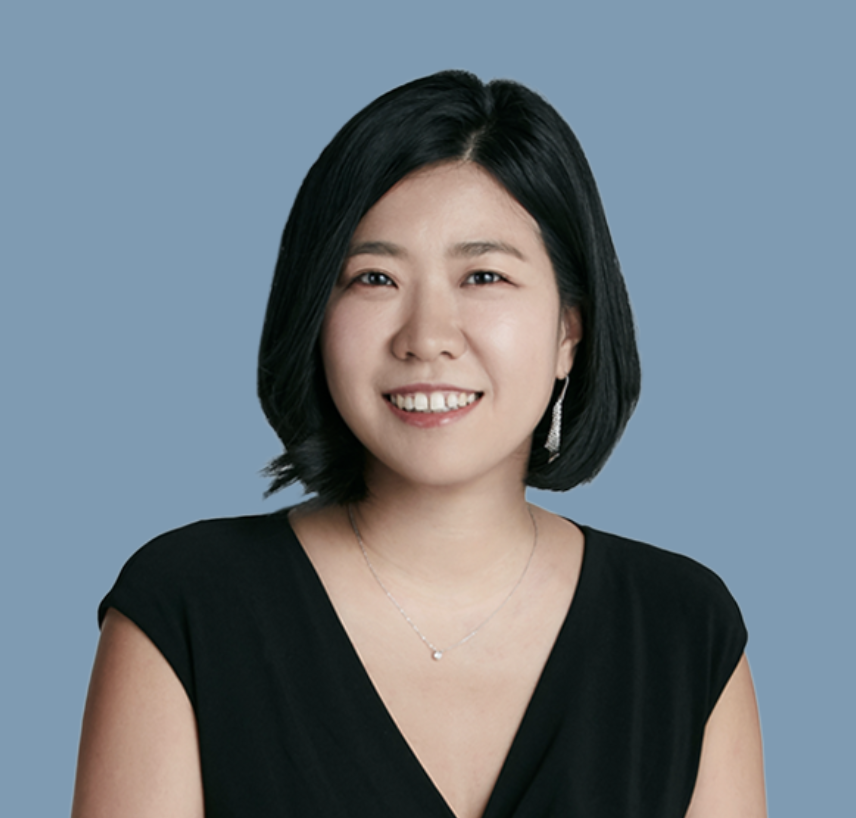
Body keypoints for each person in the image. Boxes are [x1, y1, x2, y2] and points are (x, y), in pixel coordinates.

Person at [71, 70, 767, 818]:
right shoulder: (187, 609)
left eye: (484, 276)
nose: (427, 337)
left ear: (570, 330)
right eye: (374, 277)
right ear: (316, 313)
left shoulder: (680, 630)